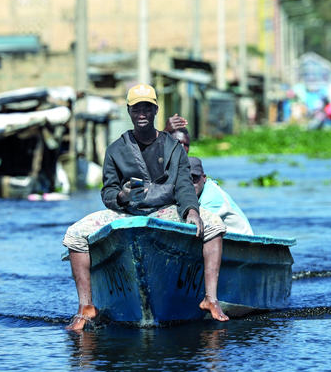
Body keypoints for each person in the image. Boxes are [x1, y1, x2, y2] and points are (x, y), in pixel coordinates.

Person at [62, 83, 229, 331]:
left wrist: (191, 212)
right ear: (129, 111)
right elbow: (107, 192)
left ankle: (210, 299)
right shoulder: (115, 150)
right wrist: (122, 195)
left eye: (147, 108)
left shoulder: (173, 148)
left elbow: (184, 186)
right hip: (127, 212)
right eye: (137, 108)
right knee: (74, 235)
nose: (142, 114)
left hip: (165, 210)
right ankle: (86, 307)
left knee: (214, 224)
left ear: (155, 111)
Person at [189, 157, 253, 235]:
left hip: (242, 241)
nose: (191, 183)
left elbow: (195, 224)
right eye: (187, 179)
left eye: (194, 178)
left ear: (204, 177)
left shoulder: (212, 195)